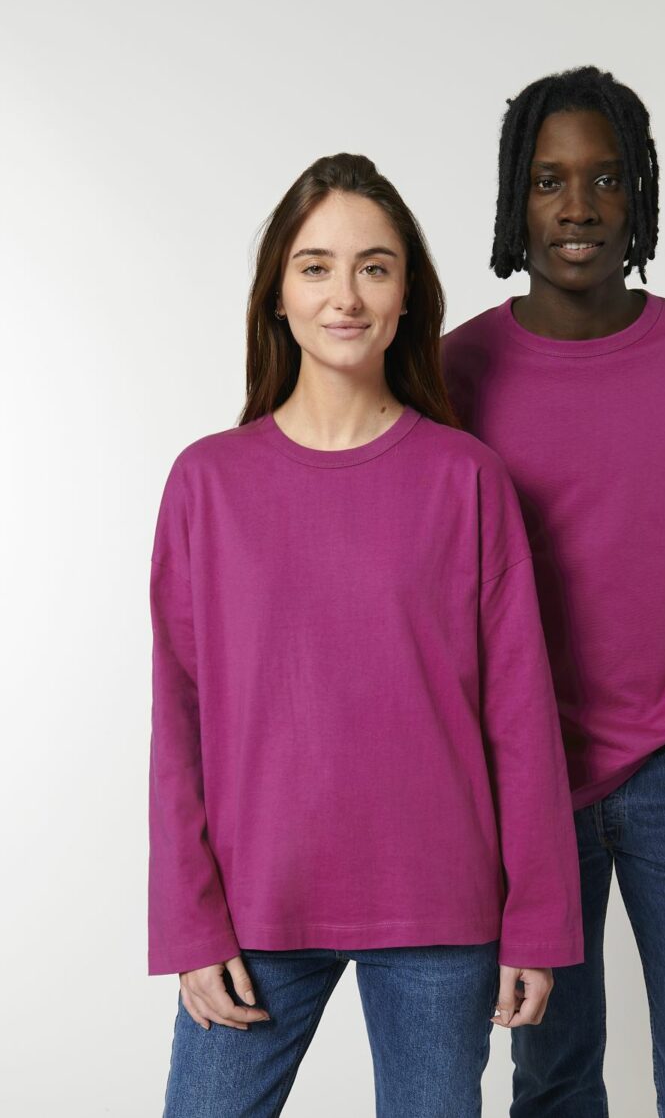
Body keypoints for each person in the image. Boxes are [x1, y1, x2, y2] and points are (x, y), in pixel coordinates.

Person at [148, 152, 583, 1118]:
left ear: (405, 295)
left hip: (440, 907)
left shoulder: (466, 480)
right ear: (278, 294)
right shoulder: (207, 484)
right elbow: (178, 722)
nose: (345, 295)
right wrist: (187, 922)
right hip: (256, 906)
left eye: (373, 268)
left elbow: (519, 715)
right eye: (316, 267)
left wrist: (538, 919)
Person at [441, 66, 665, 1117]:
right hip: (526, 788)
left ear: (638, 193)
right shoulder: (453, 375)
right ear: (515, 200)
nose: (579, 207)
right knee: (553, 1082)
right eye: (549, 181)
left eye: (606, 179)